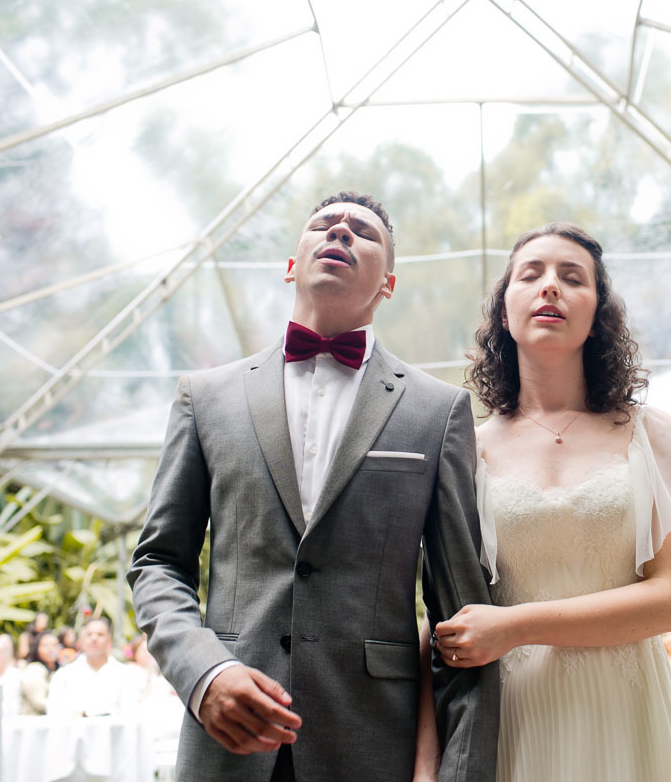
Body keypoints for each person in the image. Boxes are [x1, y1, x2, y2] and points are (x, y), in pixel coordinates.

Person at [128, 191, 498, 782]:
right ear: (291, 265)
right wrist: (204, 673)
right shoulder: (207, 397)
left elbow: (461, 617)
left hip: (371, 745)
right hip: (227, 741)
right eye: (325, 224)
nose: (341, 231)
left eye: (364, 232)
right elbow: (157, 563)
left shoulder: (437, 411)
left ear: (389, 285)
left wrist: (457, 770)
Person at [425, 222, 671, 782]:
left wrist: (513, 627)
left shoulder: (652, 435)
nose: (550, 286)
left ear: (597, 315)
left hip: (627, 717)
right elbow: (441, 607)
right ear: (503, 312)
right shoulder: (465, 450)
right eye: (530, 275)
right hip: (514, 717)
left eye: (572, 277)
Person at [46, 617, 134, 717]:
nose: (94, 639)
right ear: (80, 641)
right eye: (89, 634)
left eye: (100, 634)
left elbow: (129, 713)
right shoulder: (64, 675)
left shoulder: (125, 674)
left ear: (109, 641)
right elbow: (54, 712)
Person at [19, 630, 60, 715]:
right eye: (46, 646)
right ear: (37, 648)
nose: (51, 649)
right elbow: (40, 703)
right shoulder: (34, 670)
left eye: (55, 645)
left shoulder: (59, 670)